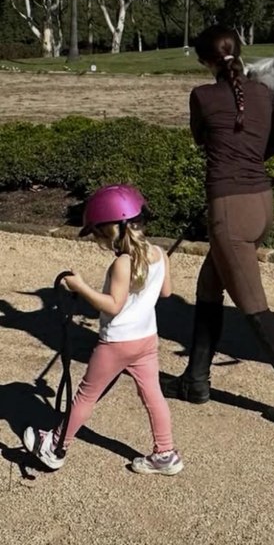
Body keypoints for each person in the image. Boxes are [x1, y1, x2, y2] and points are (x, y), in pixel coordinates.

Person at [161, 25, 274, 425]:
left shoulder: (202, 96)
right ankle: (195, 380)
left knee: (254, 308)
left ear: (204, 61)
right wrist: (253, 157)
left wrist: (236, 160)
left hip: (229, 210)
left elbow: (202, 139)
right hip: (261, 203)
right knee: (208, 286)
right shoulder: (264, 93)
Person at [22, 185, 182, 475]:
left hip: (117, 343)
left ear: (111, 231)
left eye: (97, 234)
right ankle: (165, 453)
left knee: (85, 396)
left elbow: (113, 306)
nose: (97, 240)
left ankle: (55, 446)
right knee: (153, 395)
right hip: (146, 339)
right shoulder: (160, 253)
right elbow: (167, 292)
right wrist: (148, 286)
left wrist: (81, 287)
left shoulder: (122, 263)